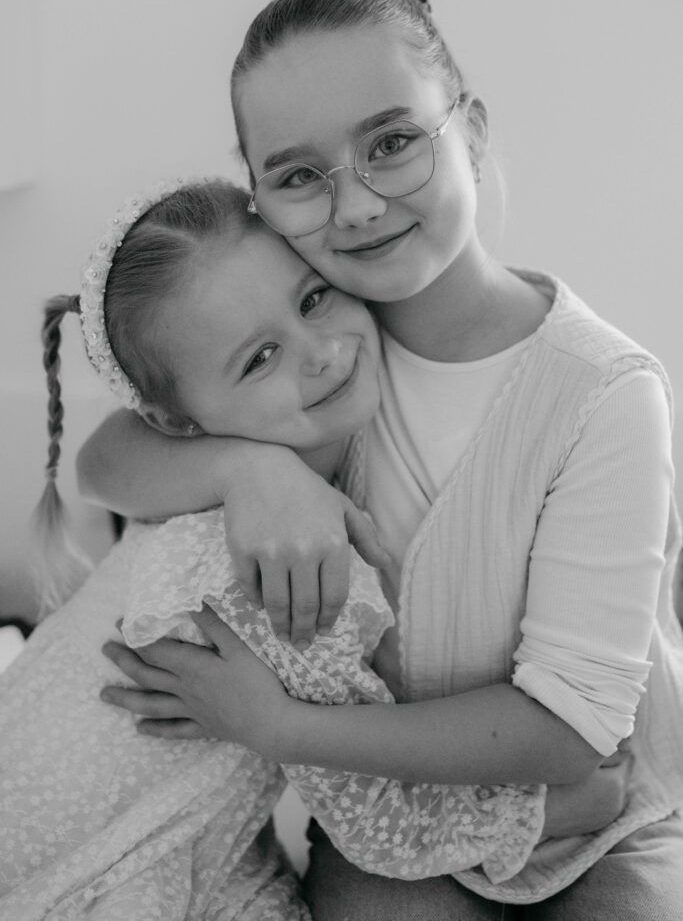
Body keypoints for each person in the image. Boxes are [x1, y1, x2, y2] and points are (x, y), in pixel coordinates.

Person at [79, 0, 683, 919]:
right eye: (299, 175)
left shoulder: (604, 393)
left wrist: (279, 726)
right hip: (395, 811)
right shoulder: (314, 359)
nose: (355, 205)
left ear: (469, 131)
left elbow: (569, 731)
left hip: (604, 813)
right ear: (258, 200)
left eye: (393, 141)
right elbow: (106, 459)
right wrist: (248, 473)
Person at [3, 178, 600, 921]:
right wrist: (562, 808)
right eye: (259, 358)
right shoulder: (283, 568)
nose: (318, 353)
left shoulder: (209, 487)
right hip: (82, 862)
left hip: (171, 832)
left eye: (314, 299)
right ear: (176, 422)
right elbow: (379, 815)